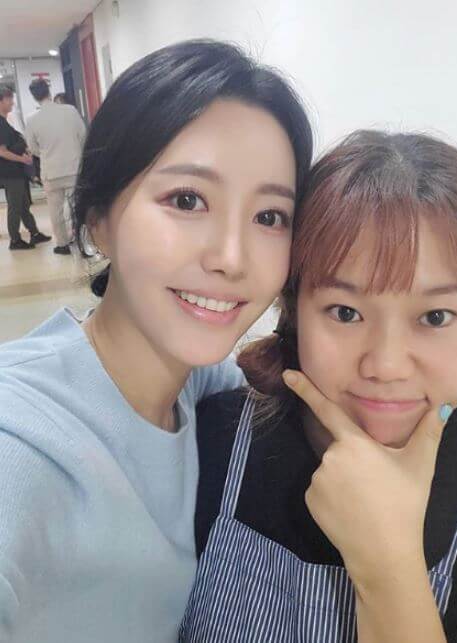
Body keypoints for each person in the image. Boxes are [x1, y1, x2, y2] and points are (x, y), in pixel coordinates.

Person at [0, 40, 314, 642]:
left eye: (269, 216)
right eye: (187, 200)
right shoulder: (25, 438)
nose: (231, 258)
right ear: (99, 218)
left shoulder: (200, 385)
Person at [186, 131, 457, 642]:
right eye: (345, 312)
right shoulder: (211, 440)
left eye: (435, 317)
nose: (386, 366)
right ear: (293, 310)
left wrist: (387, 567)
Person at [26, 78, 87, 254]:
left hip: (50, 171)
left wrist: (46, 153)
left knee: (55, 210)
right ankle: (83, 242)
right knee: (77, 207)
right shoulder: (70, 111)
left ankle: (62, 244)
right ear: (49, 91)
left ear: (34, 97)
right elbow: (83, 135)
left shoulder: (32, 120)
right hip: (73, 167)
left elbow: (32, 148)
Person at [0, 85, 51, 250]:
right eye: (9, 99)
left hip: (15, 172)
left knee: (23, 205)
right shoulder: (1, 124)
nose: (12, 103)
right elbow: (2, 151)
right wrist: (22, 159)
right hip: (10, 173)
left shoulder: (5, 122)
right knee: (15, 207)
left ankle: (34, 233)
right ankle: (15, 240)